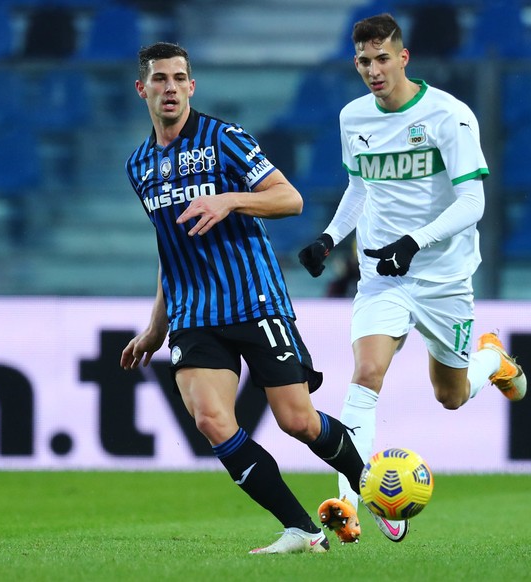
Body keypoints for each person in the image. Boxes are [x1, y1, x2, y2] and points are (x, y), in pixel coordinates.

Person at [119, 42, 367, 554]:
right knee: (211, 420)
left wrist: (229, 199)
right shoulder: (140, 165)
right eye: (160, 79)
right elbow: (170, 246)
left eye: (179, 78)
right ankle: (302, 529)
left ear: (192, 86)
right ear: (142, 89)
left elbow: (290, 199)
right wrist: (155, 326)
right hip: (193, 313)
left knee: (296, 419)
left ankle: (372, 486)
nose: (170, 87)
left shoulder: (224, 139)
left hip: (255, 300)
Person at [298, 13, 528, 544]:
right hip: (382, 272)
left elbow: (474, 200)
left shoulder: (449, 115)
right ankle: (356, 499)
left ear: (403, 58)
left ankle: (491, 357)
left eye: (382, 59)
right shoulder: (353, 117)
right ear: (354, 63)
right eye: (363, 61)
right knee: (366, 374)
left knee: (449, 395)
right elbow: (360, 188)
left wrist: (416, 241)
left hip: (443, 277)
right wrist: (329, 238)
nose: (373, 70)